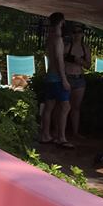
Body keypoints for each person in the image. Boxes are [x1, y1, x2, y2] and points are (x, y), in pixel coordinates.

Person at [40, 11, 72, 147]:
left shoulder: (50, 38)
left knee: (49, 107)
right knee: (65, 107)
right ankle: (61, 137)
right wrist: (64, 79)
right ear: (62, 22)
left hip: (49, 77)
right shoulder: (58, 39)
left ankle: (45, 135)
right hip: (57, 78)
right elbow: (59, 60)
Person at [63, 23, 91, 140]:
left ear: (82, 34)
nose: (76, 34)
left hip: (79, 79)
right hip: (68, 77)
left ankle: (75, 132)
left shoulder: (85, 48)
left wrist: (80, 61)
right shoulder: (67, 47)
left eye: (79, 32)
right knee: (64, 106)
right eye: (74, 32)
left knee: (76, 107)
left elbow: (88, 65)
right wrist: (72, 59)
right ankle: (61, 132)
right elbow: (61, 60)